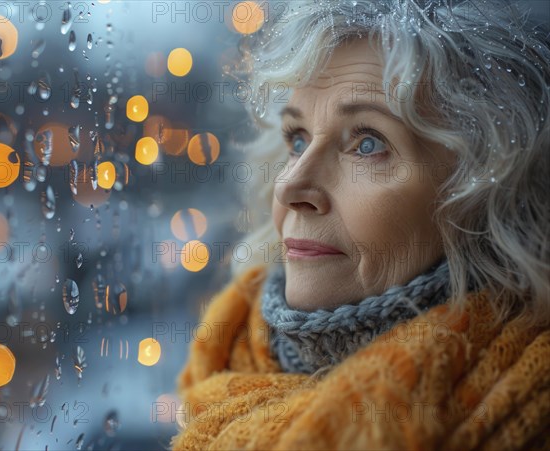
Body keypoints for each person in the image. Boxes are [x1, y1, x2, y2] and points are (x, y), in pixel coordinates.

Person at [170, 0, 550, 449]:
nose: (290, 186)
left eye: (367, 143)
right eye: (298, 139)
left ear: (485, 194)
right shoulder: (222, 363)